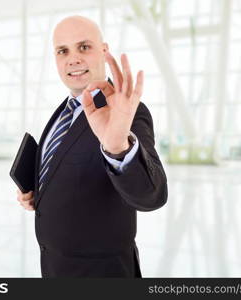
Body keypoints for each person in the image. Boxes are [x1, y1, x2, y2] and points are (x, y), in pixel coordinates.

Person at [17, 15, 168, 278]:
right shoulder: (62, 112)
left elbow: (151, 195)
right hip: (55, 269)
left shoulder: (127, 112)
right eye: (62, 51)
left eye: (84, 47)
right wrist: (36, 193)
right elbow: (66, 172)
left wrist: (118, 147)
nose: (72, 59)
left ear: (104, 51)